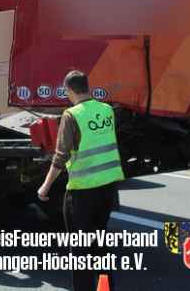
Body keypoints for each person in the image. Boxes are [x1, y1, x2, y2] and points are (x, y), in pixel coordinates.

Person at [37, 70, 125, 291]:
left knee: (80, 253)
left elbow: (60, 156)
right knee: (100, 245)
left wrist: (45, 187)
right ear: (87, 87)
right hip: (107, 187)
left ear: (69, 90)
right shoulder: (107, 110)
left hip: (82, 191)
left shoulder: (71, 115)